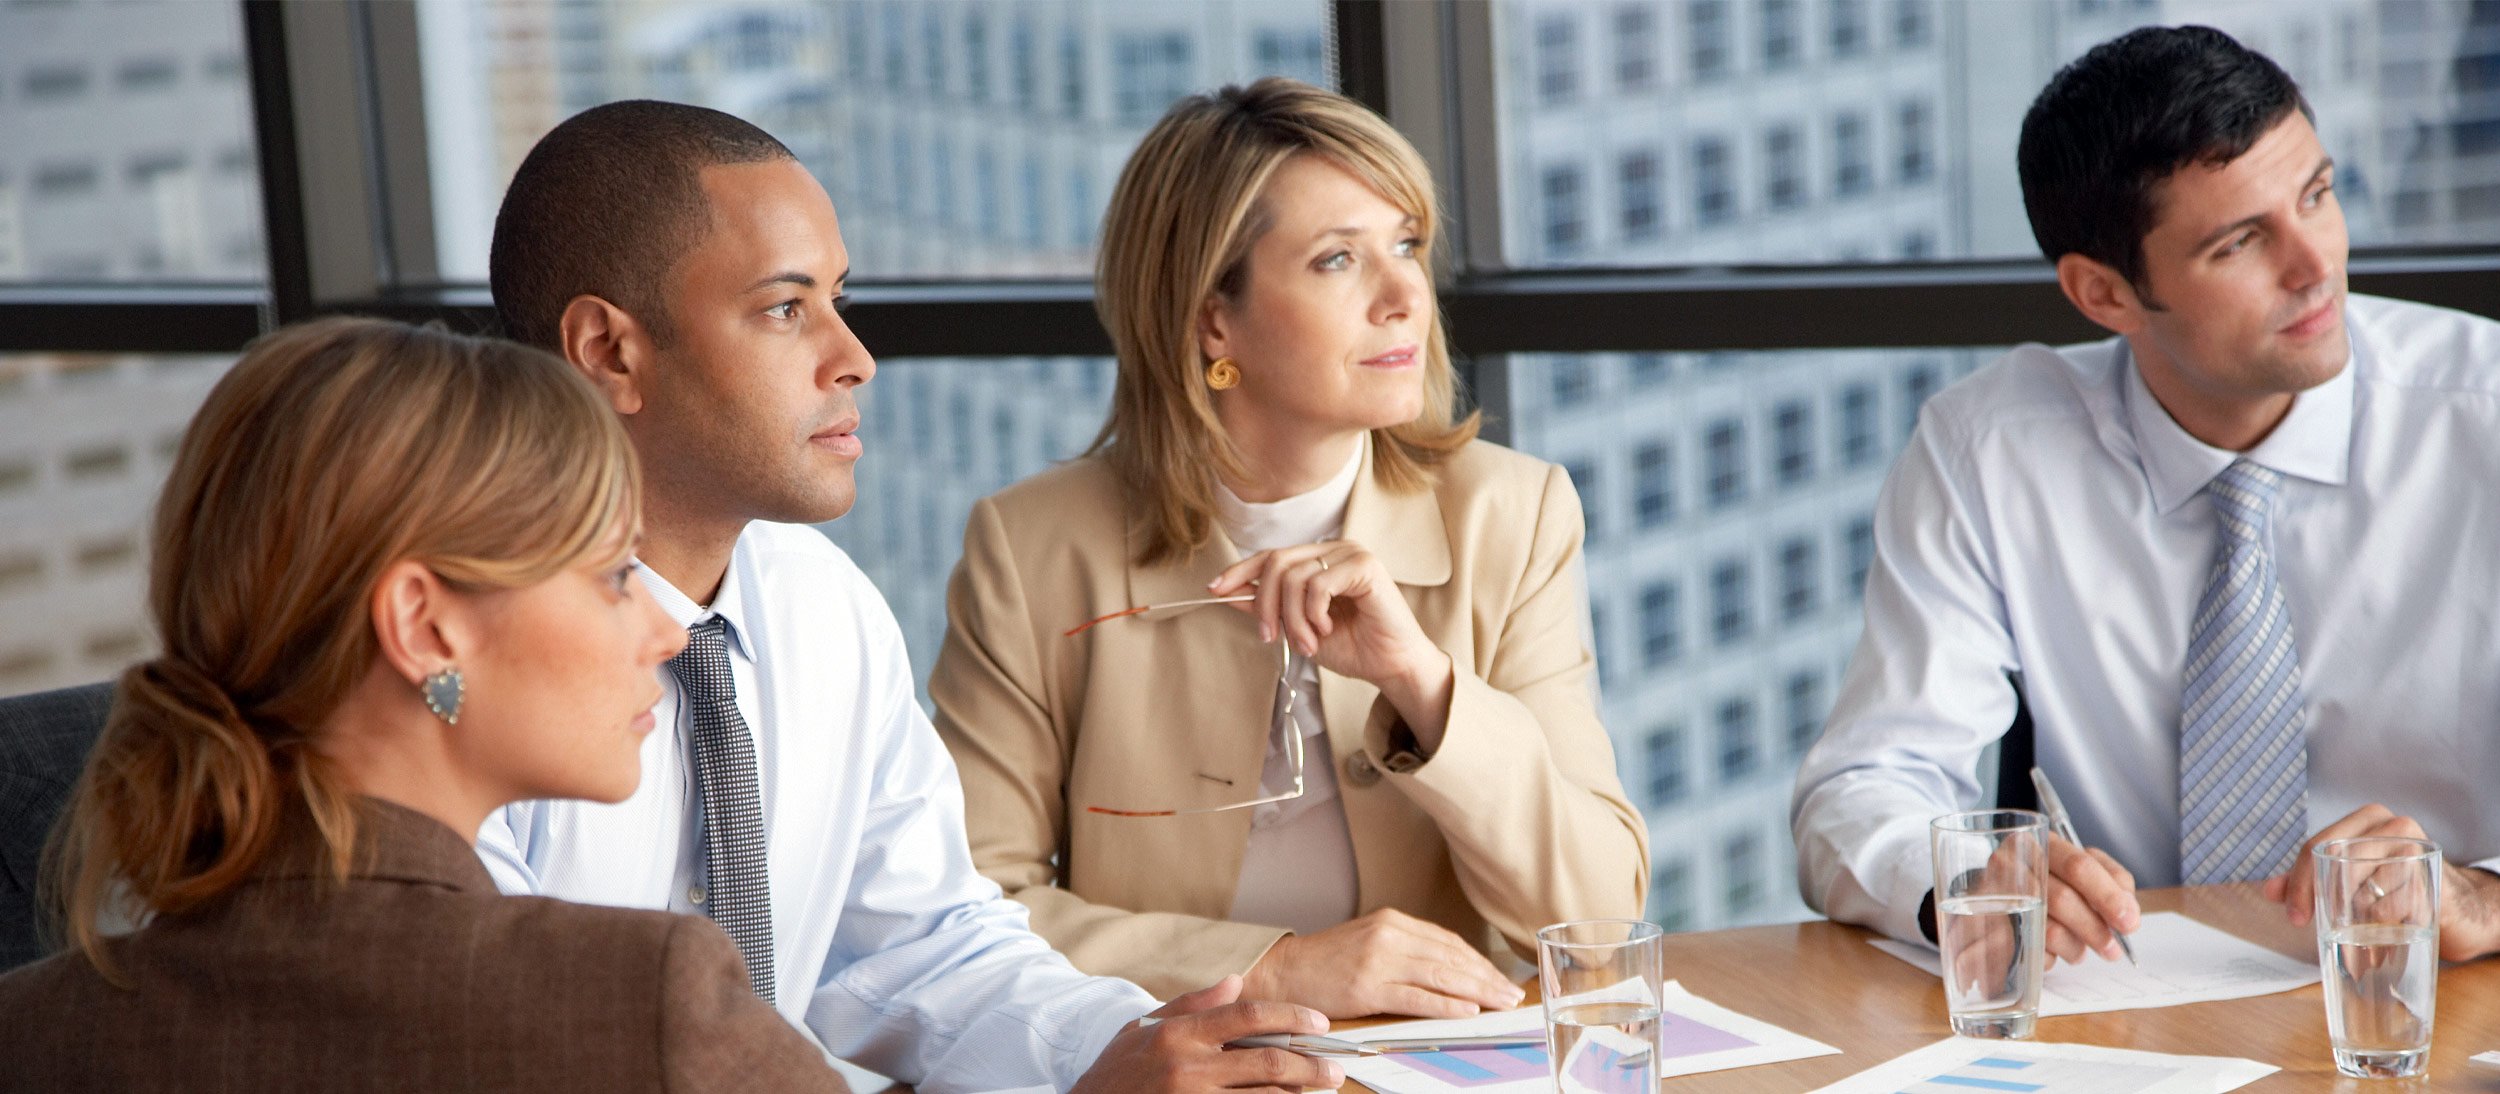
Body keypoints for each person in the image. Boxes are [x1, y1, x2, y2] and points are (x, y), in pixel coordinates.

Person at [475, 99, 1338, 1094]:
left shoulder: (823, 606)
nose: (854, 358)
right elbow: (503, 1040)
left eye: (839, 299)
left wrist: (1125, 1048)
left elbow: (921, 945)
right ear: (610, 351)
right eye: (784, 308)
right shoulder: (479, 655)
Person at [928, 78, 1649, 1017]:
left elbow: (1598, 918)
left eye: (1407, 246)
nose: (1403, 297)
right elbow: (967, 914)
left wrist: (1424, 685)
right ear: (1211, 318)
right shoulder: (1031, 549)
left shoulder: (1514, 515)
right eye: (1338, 259)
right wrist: (1270, 969)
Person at [1791, 24, 2500, 965]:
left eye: (2319, 195)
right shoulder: (1989, 451)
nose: (2315, 263)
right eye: (2242, 242)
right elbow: (1863, 784)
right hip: (2131, 1022)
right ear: (2104, 295)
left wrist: (2481, 894)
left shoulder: (2485, 418)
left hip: (2434, 1007)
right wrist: (1966, 879)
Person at [0, 317, 845, 1091]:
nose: (665, 635)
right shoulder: (650, 1007)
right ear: (423, 627)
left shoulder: (31, 1033)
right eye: (615, 575)